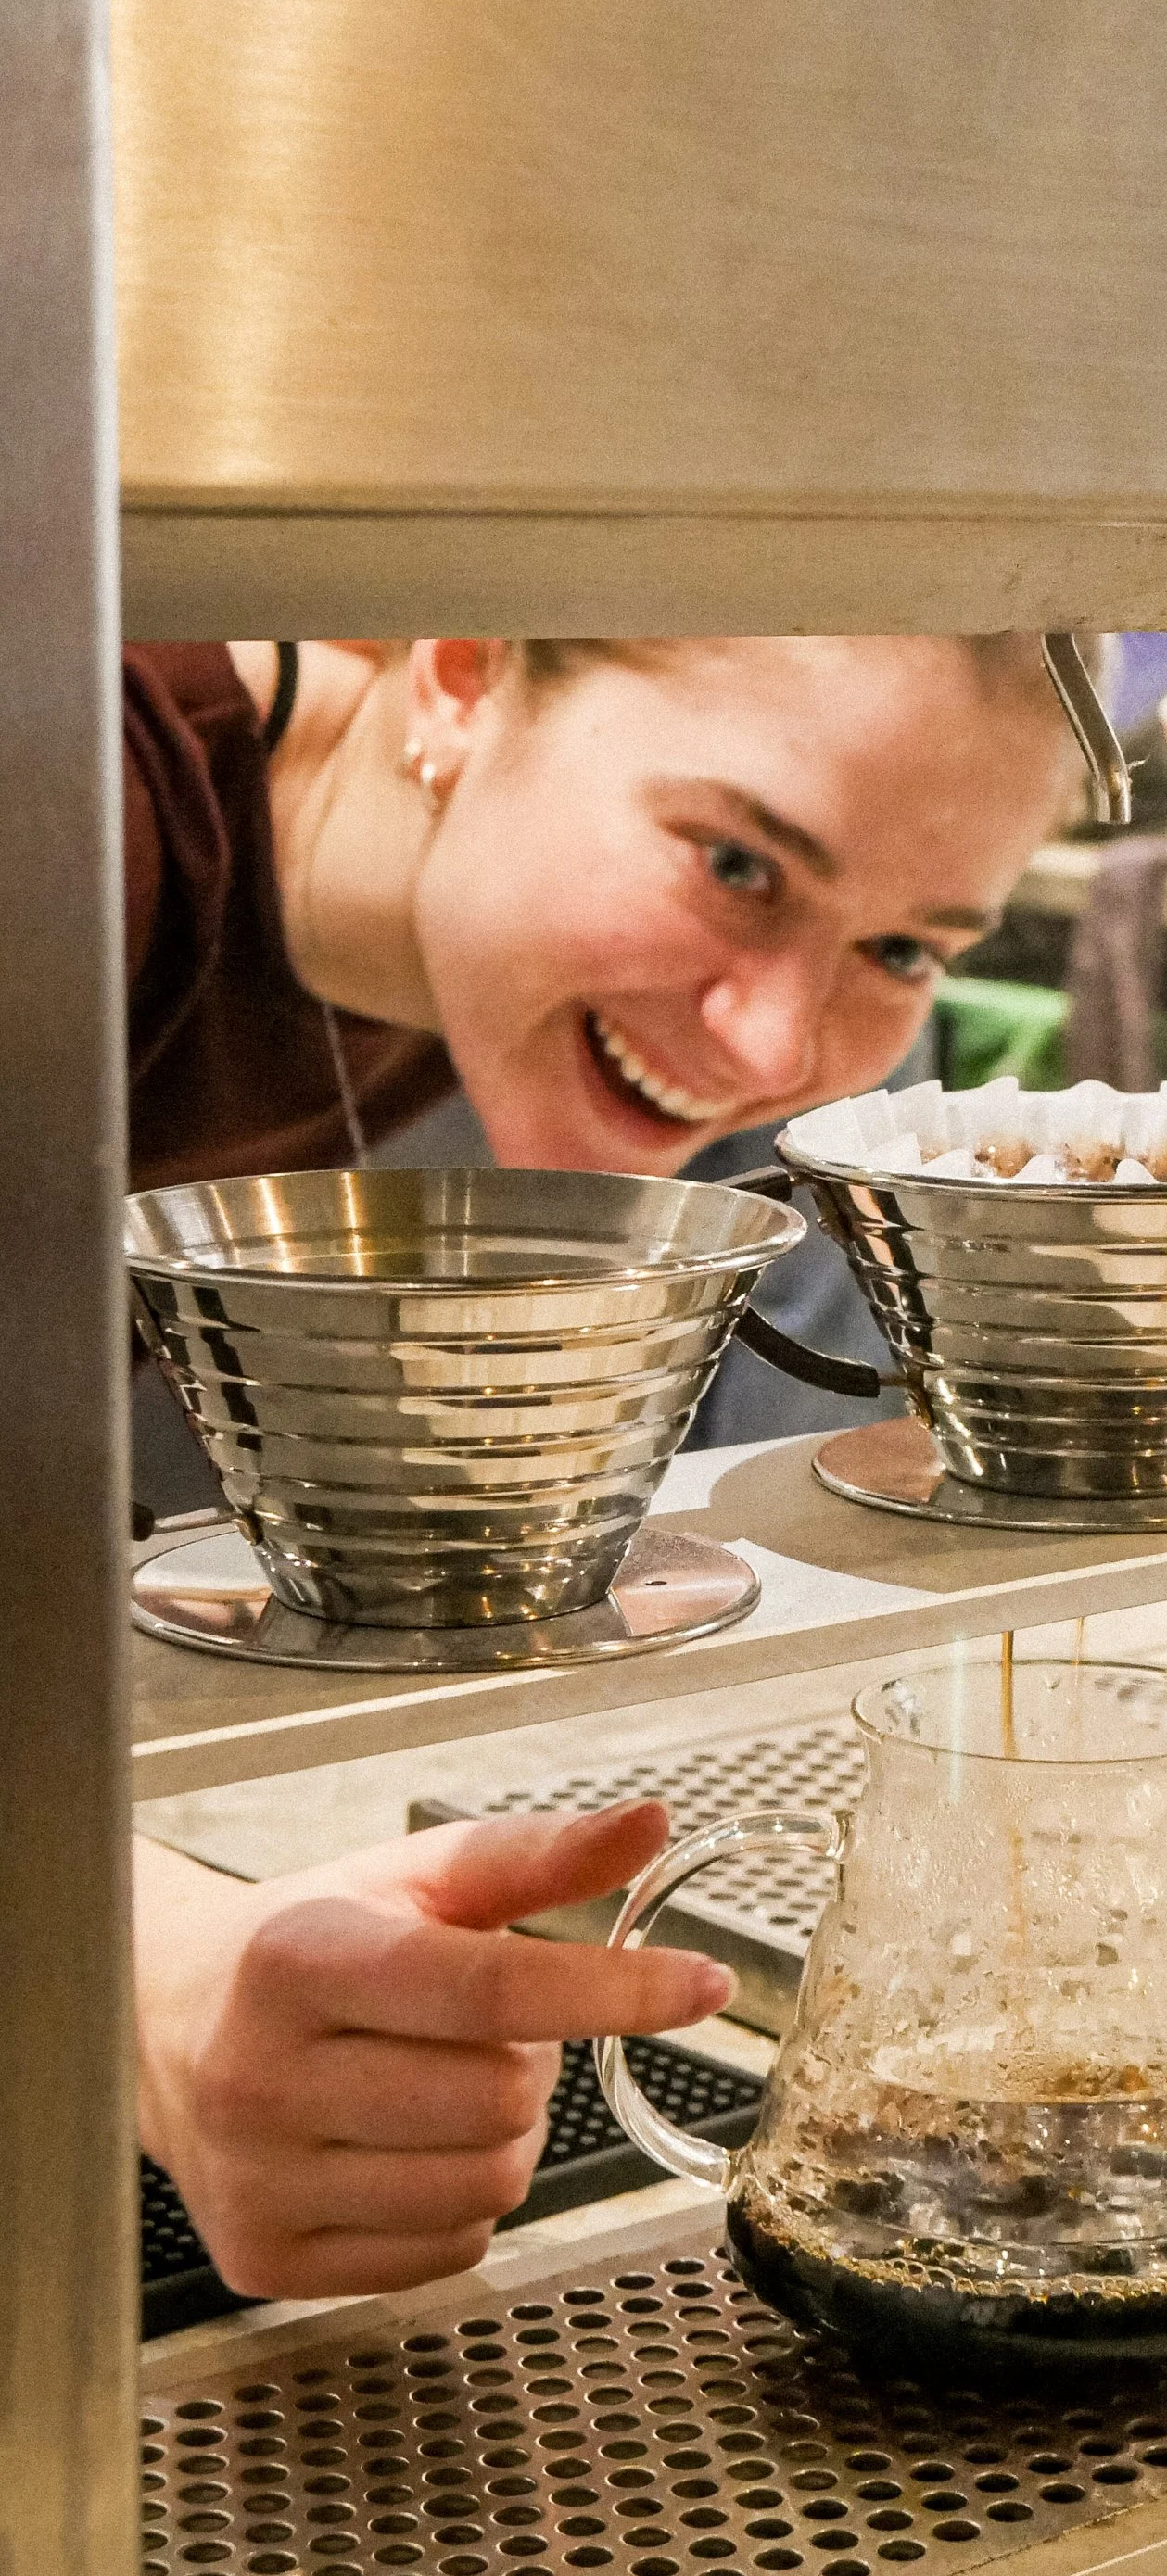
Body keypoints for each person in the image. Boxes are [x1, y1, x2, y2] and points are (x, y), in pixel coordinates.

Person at [131, 634, 1083, 2296]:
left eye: (903, 945)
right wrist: (127, 1969)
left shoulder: (464, 954)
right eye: (736, 865)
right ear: (455, 677)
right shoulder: (90, 801)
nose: (772, 1044)